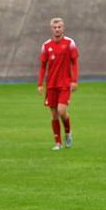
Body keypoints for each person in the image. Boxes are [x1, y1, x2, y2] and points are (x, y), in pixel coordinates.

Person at [38, 17, 79, 150]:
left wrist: (74, 80)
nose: (57, 29)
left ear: (63, 28)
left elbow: (75, 62)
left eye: (59, 27)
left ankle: (68, 134)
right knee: (54, 114)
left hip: (65, 84)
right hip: (51, 85)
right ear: (51, 29)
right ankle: (58, 143)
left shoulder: (70, 43)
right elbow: (43, 66)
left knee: (62, 111)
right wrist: (40, 84)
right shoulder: (46, 45)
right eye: (55, 27)